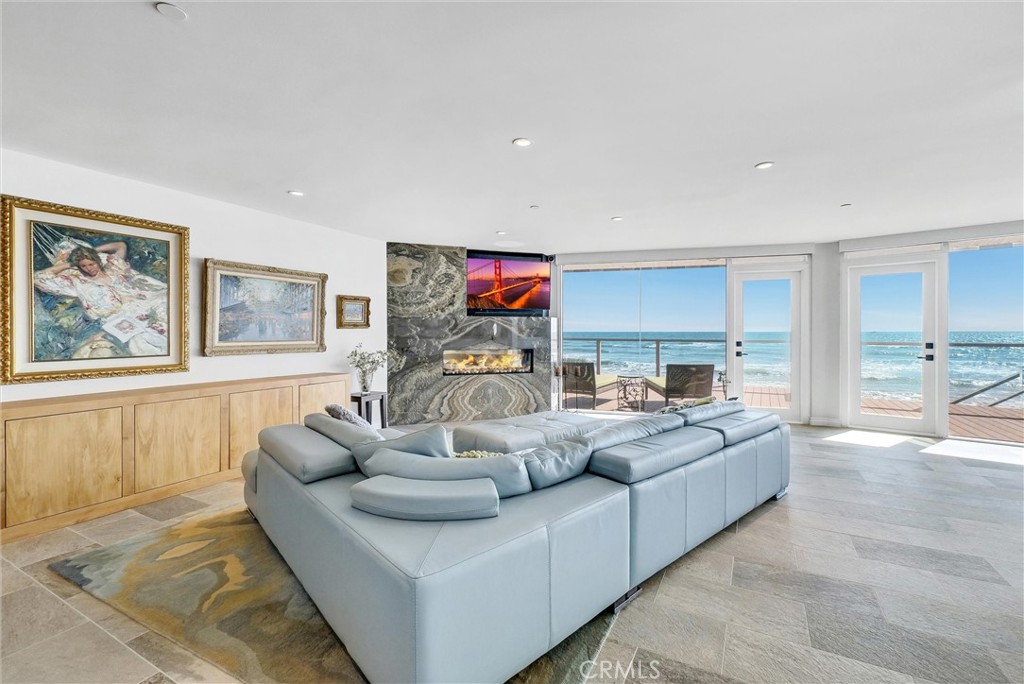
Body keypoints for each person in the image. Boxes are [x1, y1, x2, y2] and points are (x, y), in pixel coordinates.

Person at [33, 240, 169, 356]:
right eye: (83, 266)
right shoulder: (79, 282)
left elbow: (121, 245)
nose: (88, 269)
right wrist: (71, 263)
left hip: (141, 303)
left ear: (97, 260)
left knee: (165, 309)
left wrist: (91, 251)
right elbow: (37, 277)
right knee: (140, 340)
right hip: (118, 315)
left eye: (91, 264)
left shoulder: (113, 268)